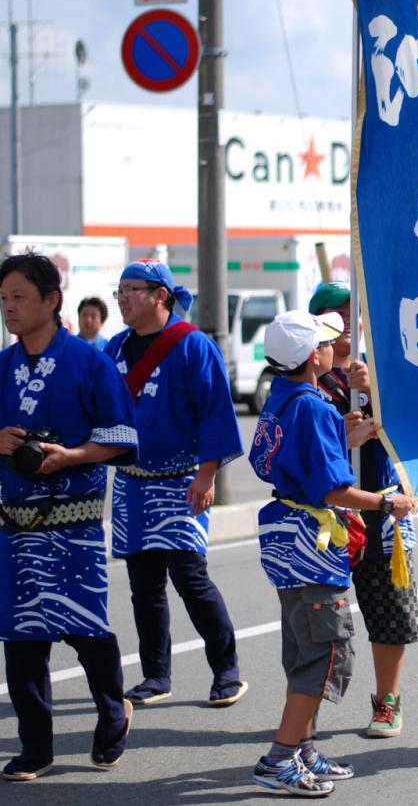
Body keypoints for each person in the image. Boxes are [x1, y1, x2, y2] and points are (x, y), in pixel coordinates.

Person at [248, 310, 417, 796]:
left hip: (284, 536)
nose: (332, 348)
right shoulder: (315, 406)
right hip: (312, 539)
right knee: (324, 652)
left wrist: (344, 437)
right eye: (324, 342)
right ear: (310, 355)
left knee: (303, 644)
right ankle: (280, 756)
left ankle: (302, 748)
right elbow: (333, 490)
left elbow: (277, 461)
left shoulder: (282, 398)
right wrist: (388, 501)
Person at [0, 252, 139, 781]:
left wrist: (71, 456)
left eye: (20, 297)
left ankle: (112, 712)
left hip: (74, 520)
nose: (10, 308)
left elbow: (123, 437)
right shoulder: (2, 366)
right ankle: (35, 746)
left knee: (85, 628)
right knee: (21, 635)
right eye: (5, 299)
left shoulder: (89, 361)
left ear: (51, 301)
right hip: (14, 521)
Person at [104, 260, 246, 708]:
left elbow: (215, 411)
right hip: (131, 483)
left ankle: (227, 670)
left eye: (132, 289)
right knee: (143, 585)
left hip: (181, 479)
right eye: (119, 290)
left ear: (160, 295)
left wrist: (207, 476)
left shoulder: (193, 346)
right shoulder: (116, 347)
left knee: (190, 577)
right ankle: (156, 675)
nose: (123, 298)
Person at [309, 281, 418, 737]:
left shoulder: (381, 372)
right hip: (326, 515)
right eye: (335, 319)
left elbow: (415, 428)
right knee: (317, 617)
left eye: (350, 316)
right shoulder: (305, 379)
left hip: (382, 506)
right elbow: (295, 446)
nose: (345, 329)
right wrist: (342, 432)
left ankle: (387, 701)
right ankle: (307, 703)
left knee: (387, 609)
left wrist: (375, 392)